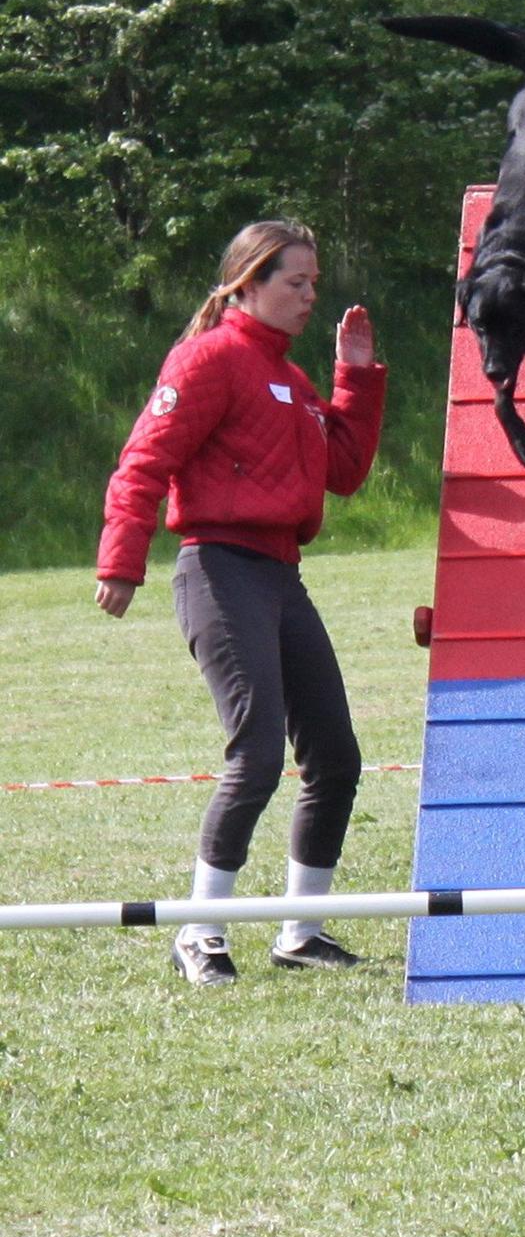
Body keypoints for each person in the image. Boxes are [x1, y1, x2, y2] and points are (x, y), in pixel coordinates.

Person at [95, 220, 387, 986]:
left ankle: (301, 933)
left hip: (281, 576)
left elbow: (347, 472)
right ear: (247, 284)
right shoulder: (208, 359)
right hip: (218, 571)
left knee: (335, 757)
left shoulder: (290, 378)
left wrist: (355, 377)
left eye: (314, 284)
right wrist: (121, 561)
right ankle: (200, 932)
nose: (309, 296)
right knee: (255, 755)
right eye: (296, 282)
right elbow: (142, 462)